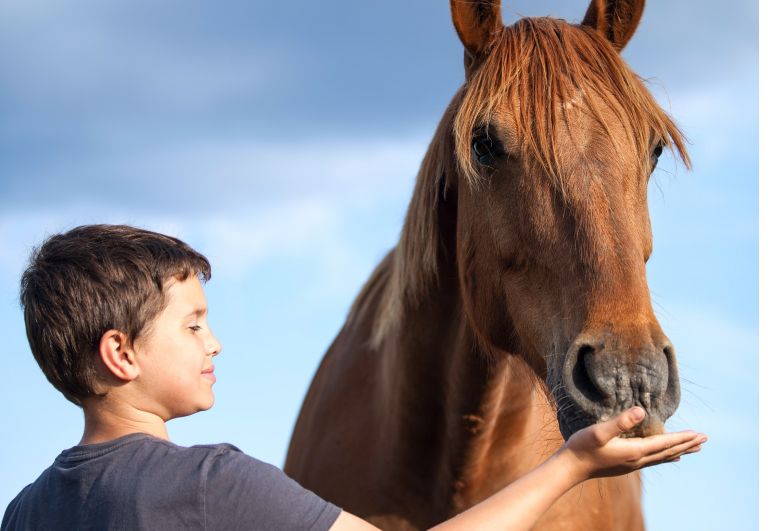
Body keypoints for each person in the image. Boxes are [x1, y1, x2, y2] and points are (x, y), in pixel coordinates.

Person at [1, 224, 707, 531]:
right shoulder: (211, 483)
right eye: (191, 324)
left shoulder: (25, 511)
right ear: (121, 353)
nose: (213, 341)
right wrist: (572, 463)